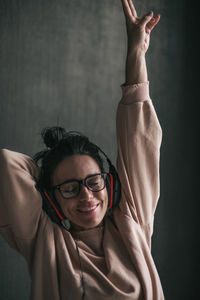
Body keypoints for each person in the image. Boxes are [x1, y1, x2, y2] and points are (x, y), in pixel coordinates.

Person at [0, 0, 164, 299]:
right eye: (71, 189)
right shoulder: (44, 239)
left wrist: (136, 52)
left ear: (108, 183)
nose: (86, 195)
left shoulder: (132, 220)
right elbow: (5, 165)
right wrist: (47, 181)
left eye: (93, 182)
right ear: (50, 199)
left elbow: (138, 139)